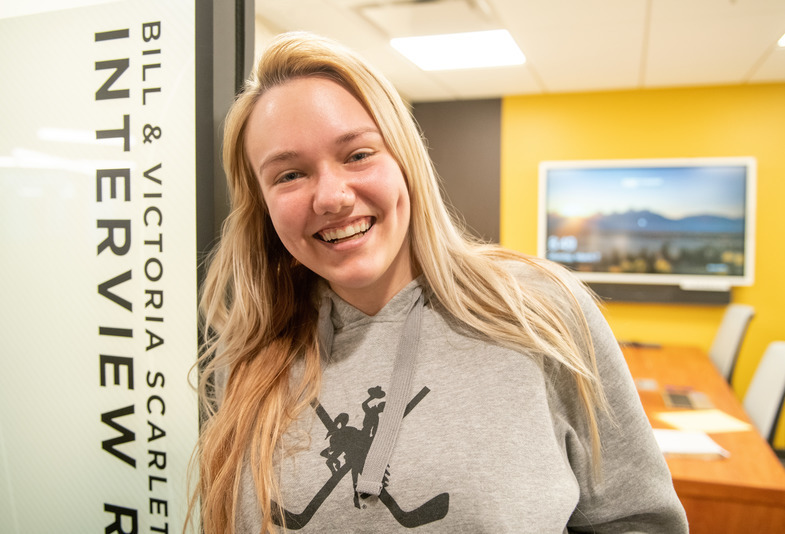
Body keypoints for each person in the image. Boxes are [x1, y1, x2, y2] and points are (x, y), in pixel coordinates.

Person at [188, 31, 688, 534]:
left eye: (358, 155)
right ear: (263, 206)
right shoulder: (250, 362)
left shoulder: (538, 311)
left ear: (406, 161)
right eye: (289, 175)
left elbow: (642, 522)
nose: (332, 197)